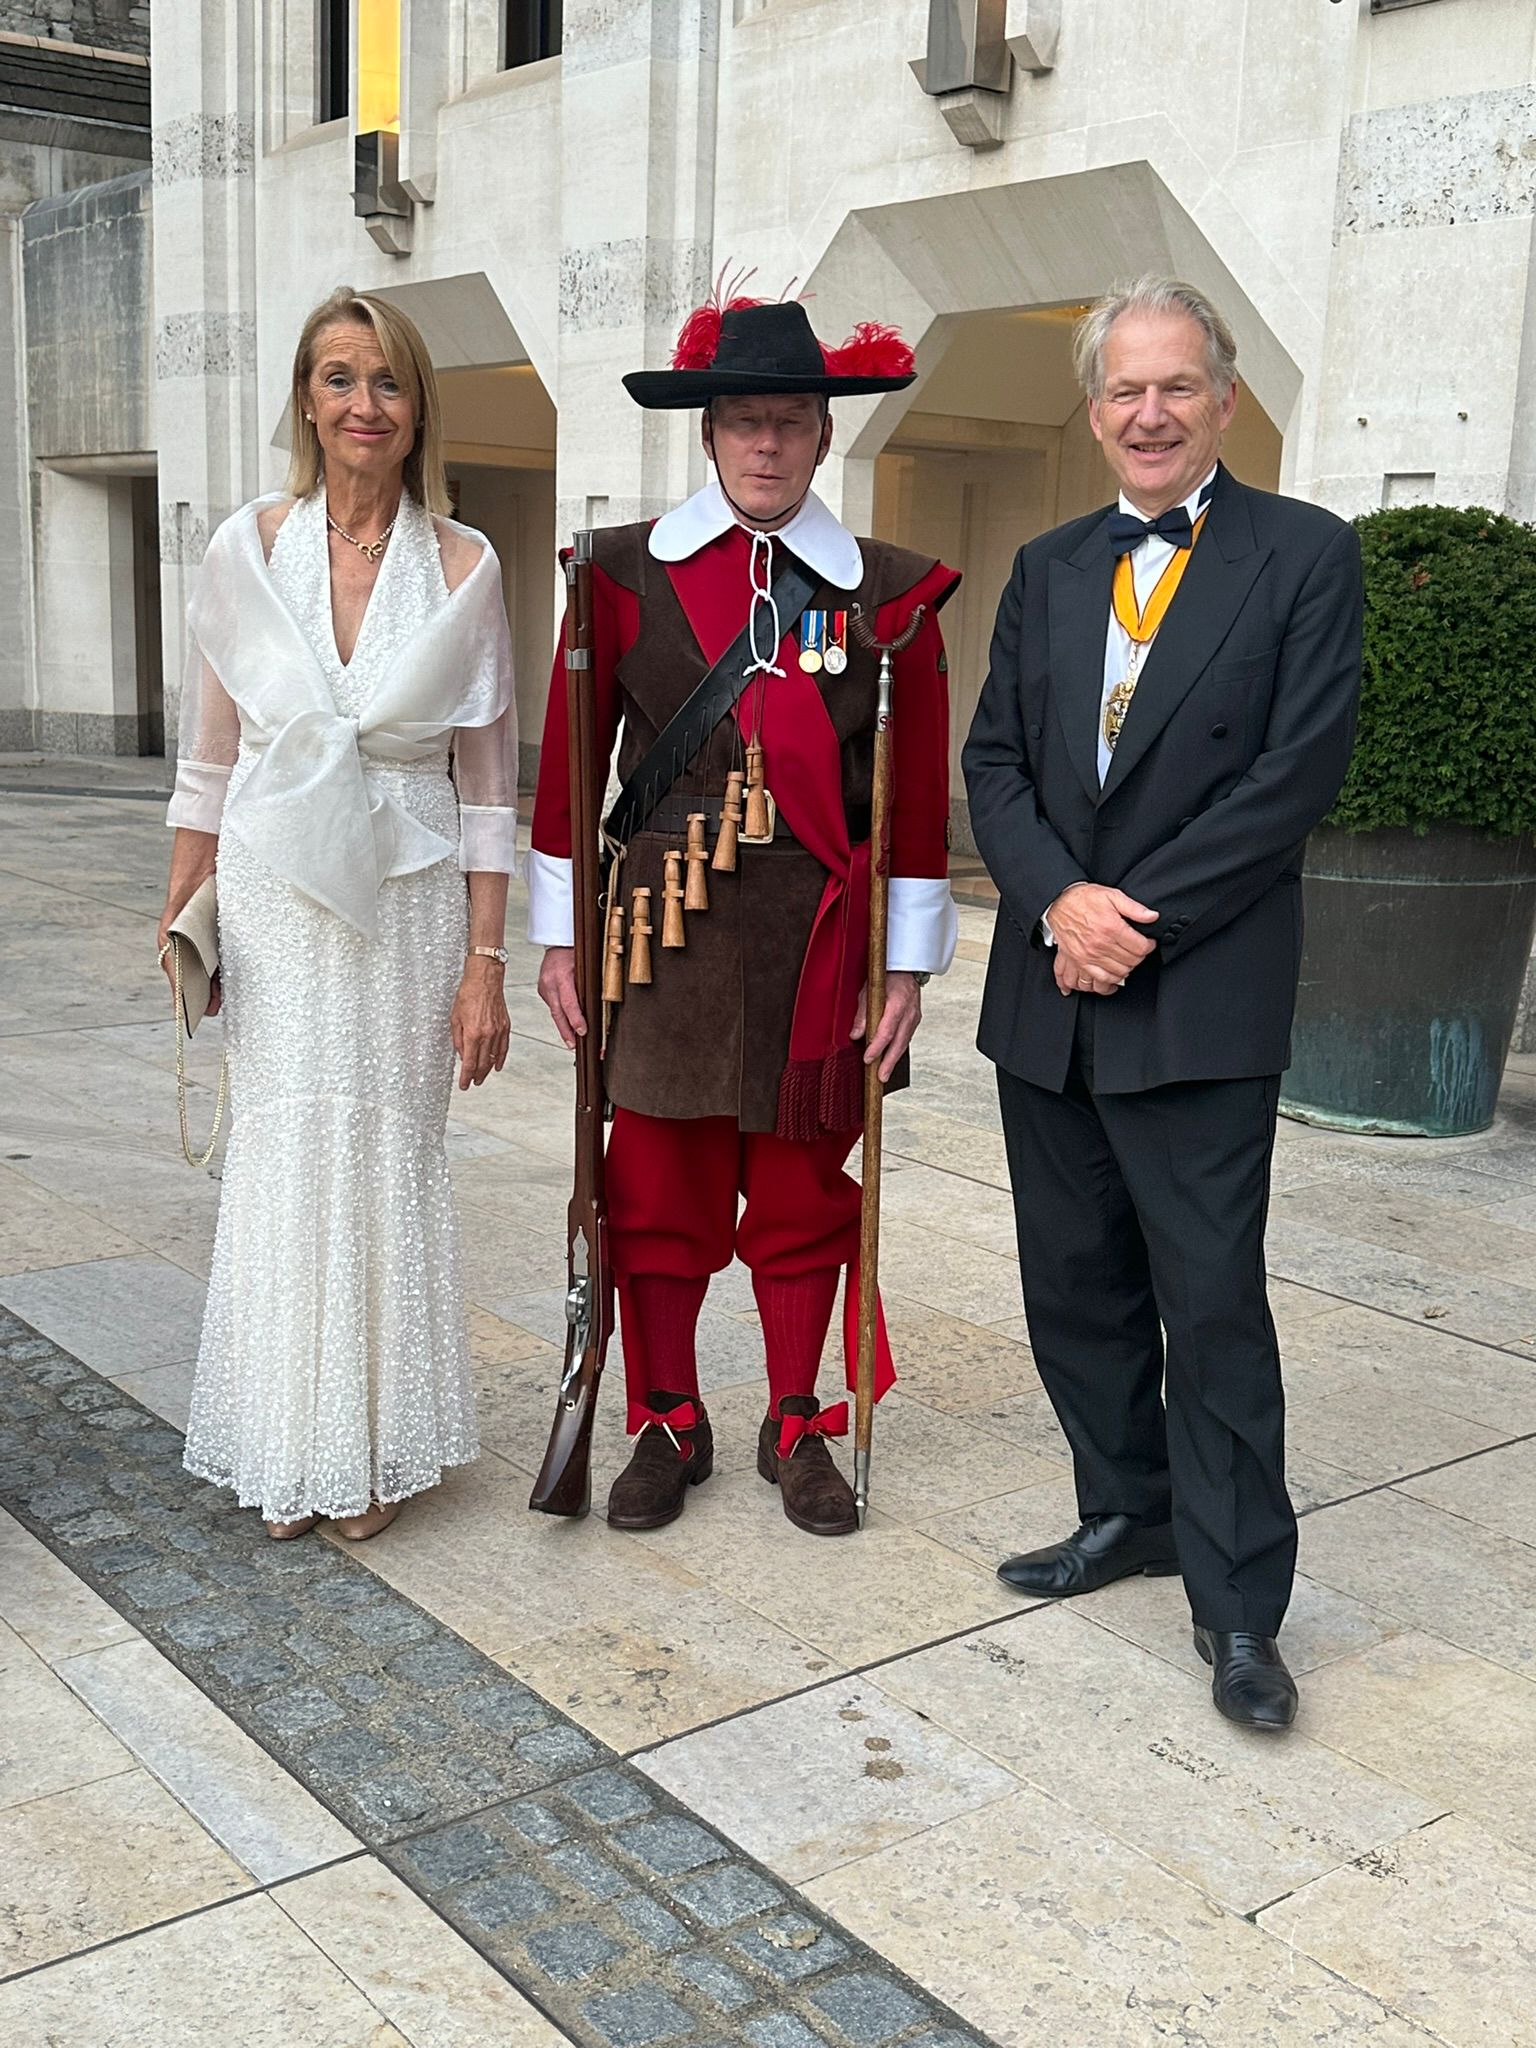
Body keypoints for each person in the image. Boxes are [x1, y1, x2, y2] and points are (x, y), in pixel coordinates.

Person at [963, 277, 1361, 1730]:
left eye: (1176, 387)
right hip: (1048, 997)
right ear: (1093, 410)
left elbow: (1291, 780)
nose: (1148, 412)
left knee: (1213, 1308)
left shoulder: (1305, 556)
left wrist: (1134, 922)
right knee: (1074, 1286)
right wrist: (1059, 902)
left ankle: (1241, 1605)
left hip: (1195, 997)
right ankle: (1125, 1509)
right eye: (1124, 390)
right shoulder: (1048, 564)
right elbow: (993, 760)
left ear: (1225, 400)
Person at [530, 295, 959, 1537]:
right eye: (742, 422)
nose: (765, 445)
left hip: (818, 941)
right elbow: (569, 772)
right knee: (656, 1180)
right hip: (659, 933)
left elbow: (916, 800)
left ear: (823, 436)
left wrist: (908, 970)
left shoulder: (891, 595)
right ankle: (667, 1413)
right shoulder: (614, 575)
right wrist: (562, 937)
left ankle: (795, 1418)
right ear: (708, 435)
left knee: (800, 1186)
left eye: (789, 421)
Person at [159, 288, 519, 1541]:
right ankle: (283, 1434)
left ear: (419, 407)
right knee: (285, 1149)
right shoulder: (246, 549)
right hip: (273, 898)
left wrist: (488, 964)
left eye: (387, 382)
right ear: (305, 399)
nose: (363, 404)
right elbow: (208, 760)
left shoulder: (468, 566)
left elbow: (486, 792)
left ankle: (372, 1444)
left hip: (411, 906)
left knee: (384, 1149)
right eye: (337, 378)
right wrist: (180, 914)